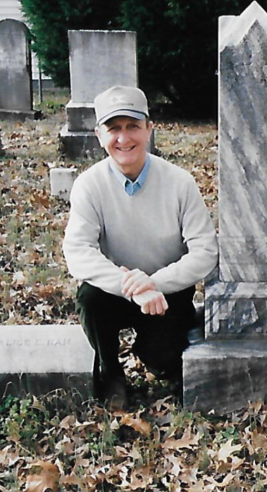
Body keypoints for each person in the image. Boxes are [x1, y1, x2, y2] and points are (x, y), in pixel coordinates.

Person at [63, 85, 218, 408]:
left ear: (149, 129)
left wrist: (155, 283)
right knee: (89, 299)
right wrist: (131, 286)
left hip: (167, 293)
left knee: (161, 359)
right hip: (114, 290)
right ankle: (112, 373)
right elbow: (78, 251)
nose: (123, 139)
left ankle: (156, 358)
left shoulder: (179, 182)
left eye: (132, 126)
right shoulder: (89, 185)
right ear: (98, 134)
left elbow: (205, 251)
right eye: (113, 129)